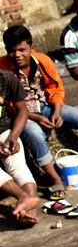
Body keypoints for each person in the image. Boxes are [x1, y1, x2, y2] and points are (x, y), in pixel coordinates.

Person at [1, 25, 78, 197]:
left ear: (32, 47)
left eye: (22, 50)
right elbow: (10, 105)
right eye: (12, 51)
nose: (17, 55)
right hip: (23, 116)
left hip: (46, 107)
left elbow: (56, 87)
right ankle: (55, 179)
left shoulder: (43, 61)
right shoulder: (3, 70)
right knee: (34, 133)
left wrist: (57, 111)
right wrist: (35, 118)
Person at [0, 68, 42, 227]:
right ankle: (24, 197)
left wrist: (13, 137)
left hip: (4, 131)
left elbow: (22, 110)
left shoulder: (6, 79)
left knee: (17, 164)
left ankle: (29, 207)